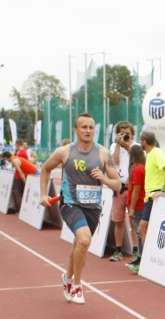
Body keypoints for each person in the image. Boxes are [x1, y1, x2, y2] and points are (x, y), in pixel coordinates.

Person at [39, 113, 121, 304]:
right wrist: (44, 194)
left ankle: (67, 278)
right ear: (76, 130)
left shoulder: (103, 154)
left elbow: (117, 184)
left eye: (91, 127)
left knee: (80, 245)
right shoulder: (64, 152)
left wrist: (104, 178)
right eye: (84, 127)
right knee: (84, 240)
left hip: (92, 207)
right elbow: (45, 169)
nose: (88, 131)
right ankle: (77, 285)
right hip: (70, 203)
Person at [127, 130, 165, 274]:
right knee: (144, 229)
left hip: (154, 196)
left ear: (144, 141)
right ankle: (146, 261)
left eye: (140, 140)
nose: (139, 143)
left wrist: (163, 191)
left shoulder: (157, 153)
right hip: (150, 197)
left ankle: (147, 262)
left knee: (141, 229)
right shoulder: (150, 154)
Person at [108, 121, 136, 262]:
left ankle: (136, 250)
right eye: (122, 133)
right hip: (119, 188)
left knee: (133, 220)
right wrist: (119, 144)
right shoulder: (114, 146)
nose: (125, 136)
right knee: (118, 220)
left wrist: (127, 144)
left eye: (128, 134)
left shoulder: (136, 146)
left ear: (132, 134)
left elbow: (137, 160)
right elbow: (114, 161)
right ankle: (118, 250)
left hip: (133, 188)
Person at [126, 144, 146, 264]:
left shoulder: (138, 169)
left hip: (138, 205)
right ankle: (140, 256)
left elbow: (136, 190)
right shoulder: (141, 168)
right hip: (139, 204)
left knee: (140, 232)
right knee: (140, 232)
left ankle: (141, 258)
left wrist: (132, 208)